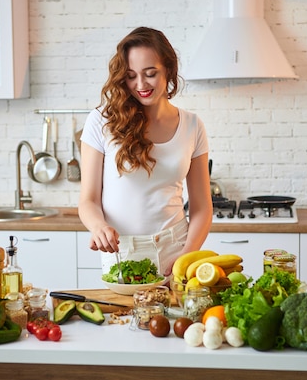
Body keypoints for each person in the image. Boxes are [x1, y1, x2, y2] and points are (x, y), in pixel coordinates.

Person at [78, 26, 213, 277]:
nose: (140, 84)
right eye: (130, 76)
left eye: (150, 73)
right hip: (121, 250)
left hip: (177, 248)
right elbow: (88, 201)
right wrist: (98, 227)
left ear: (169, 70)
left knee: (178, 317)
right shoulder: (101, 121)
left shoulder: (193, 125)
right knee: (121, 317)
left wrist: (187, 255)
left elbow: (202, 207)